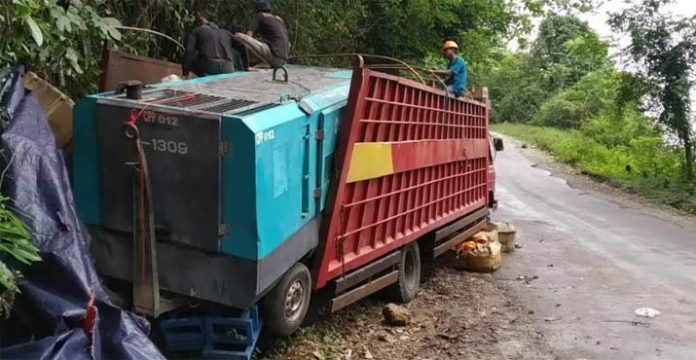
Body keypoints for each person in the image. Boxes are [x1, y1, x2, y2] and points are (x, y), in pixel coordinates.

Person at [182, 10, 249, 77]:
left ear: (199, 23)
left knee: (192, 57)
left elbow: (189, 51)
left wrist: (185, 71)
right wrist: (246, 67)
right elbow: (243, 46)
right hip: (228, 67)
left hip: (210, 66)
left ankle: (199, 77)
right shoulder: (226, 32)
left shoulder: (197, 31)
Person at [234, 1, 289, 68]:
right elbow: (289, 44)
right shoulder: (278, 19)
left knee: (238, 36)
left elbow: (248, 36)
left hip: (274, 57)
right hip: (283, 61)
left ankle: (262, 61)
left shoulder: (260, 16)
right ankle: (263, 61)